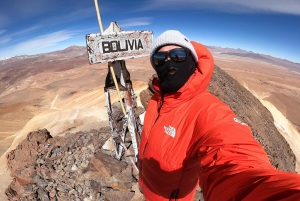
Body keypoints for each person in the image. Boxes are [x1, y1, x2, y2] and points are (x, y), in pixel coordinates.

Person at [138, 30, 300, 201]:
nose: (169, 63)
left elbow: (234, 156)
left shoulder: (207, 109)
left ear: (192, 61)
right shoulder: (156, 99)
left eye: (178, 55)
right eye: (160, 58)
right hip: (146, 186)